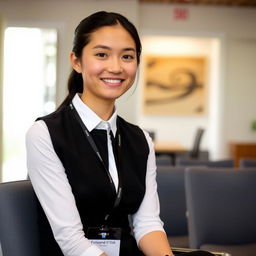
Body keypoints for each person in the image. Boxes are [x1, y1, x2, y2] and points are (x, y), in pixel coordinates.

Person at [26, 11, 214, 256]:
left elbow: (147, 223)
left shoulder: (140, 140)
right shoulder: (44, 134)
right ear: (77, 61)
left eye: (127, 56)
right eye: (101, 54)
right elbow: (71, 240)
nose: (115, 67)